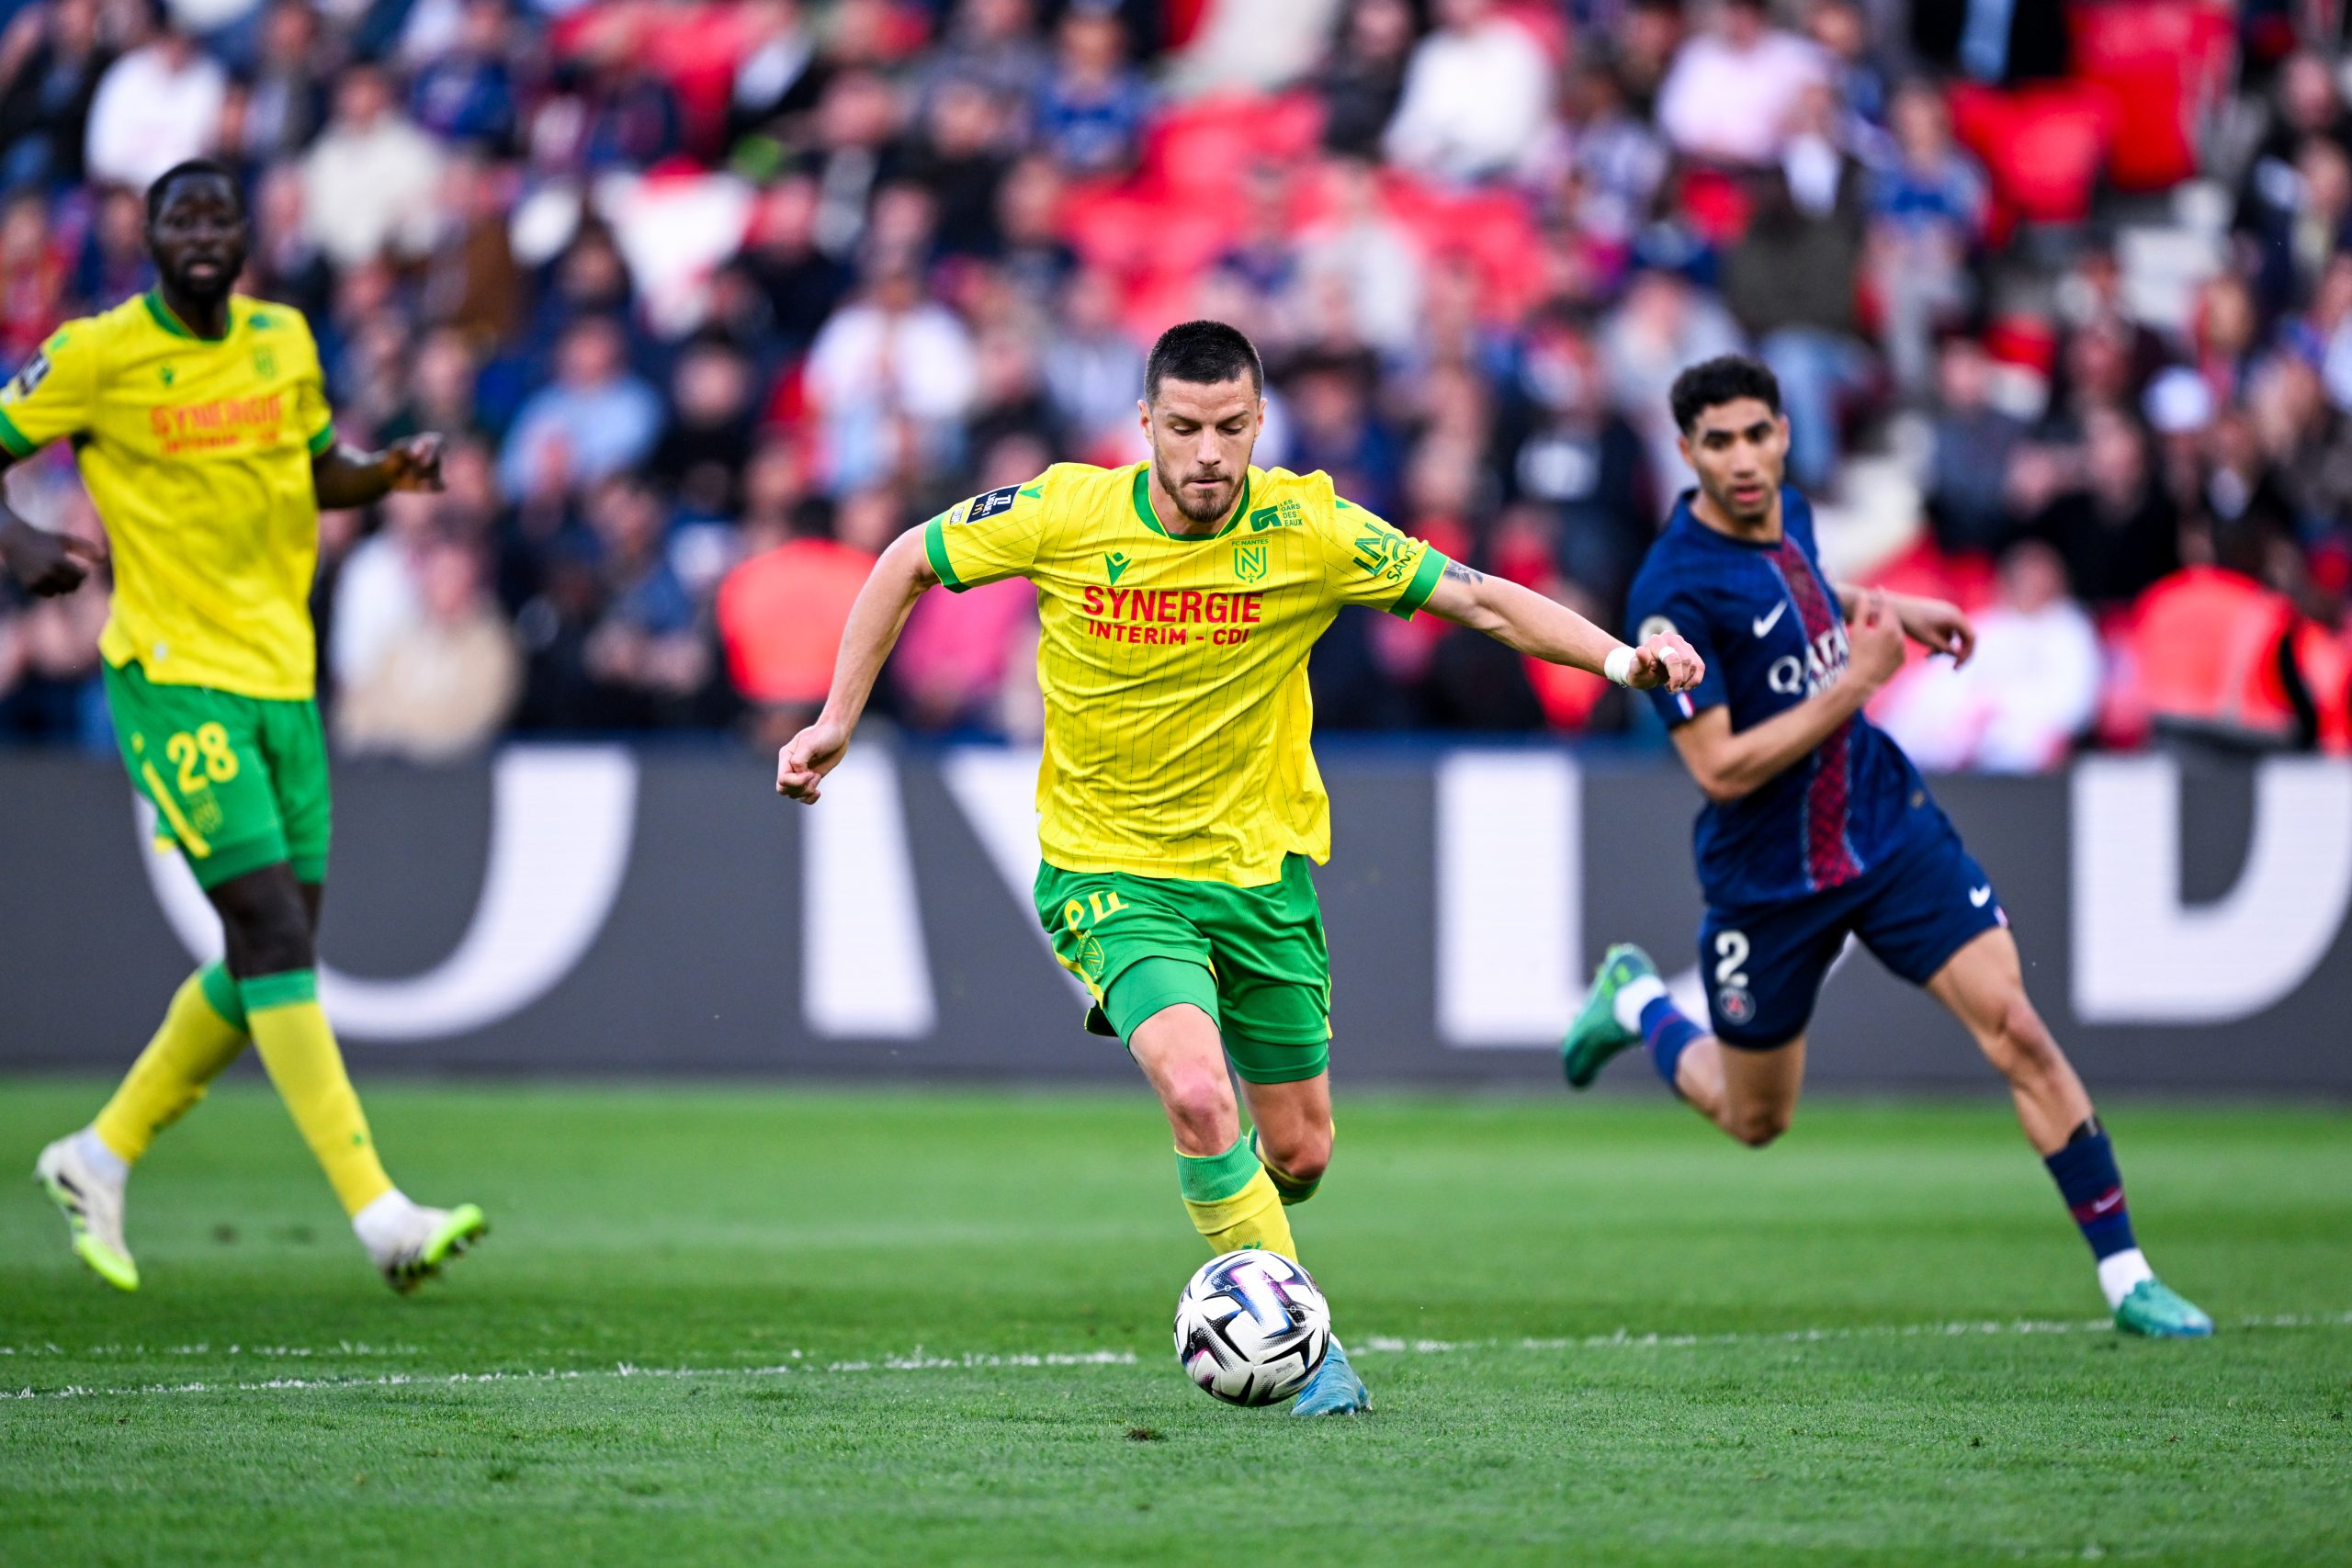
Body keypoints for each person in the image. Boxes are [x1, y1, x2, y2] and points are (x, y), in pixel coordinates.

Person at [778, 320, 1702, 1415]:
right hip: (1109, 873)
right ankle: (1309, 1358)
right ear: (1144, 427)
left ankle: (1245, 1230)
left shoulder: (1309, 528)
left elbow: (1478, 597)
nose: (1208, 452)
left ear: (1260, 423)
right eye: (1182, 428)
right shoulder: (1065, 511)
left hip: (1261, 882)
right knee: (1198, 1095)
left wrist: (1613, 657)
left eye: (1229, 428)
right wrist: (839, 717)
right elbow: (903, 563)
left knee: (1298, 1153)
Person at [1562, 355, 2212, 1339]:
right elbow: (1720, 768)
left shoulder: (1794, 511)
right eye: (1718, 442)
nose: (1743, 459)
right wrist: (1862, 681)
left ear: (1783, 432)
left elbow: (1805, 588)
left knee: (2017, 1029)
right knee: (1755, 1120)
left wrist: (1897, 613)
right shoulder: (1672, 596)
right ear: (1687, 453)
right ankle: (1639, 1001)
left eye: (1757, 434)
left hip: (1883, 822)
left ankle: (2127, 1276)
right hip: (1770, 876)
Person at [0, 160, 486, 1294]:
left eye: (222, 215)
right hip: (172, 674)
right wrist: (17, 541)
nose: (205, 233)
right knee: (271, 928)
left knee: (270, 950)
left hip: (282, 677)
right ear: (151, 235)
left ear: (249, 236)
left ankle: (97, 1154)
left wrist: (385, 472)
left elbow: (316, 471)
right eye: (184, 217)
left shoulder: (286, 341)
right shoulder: (97, 354)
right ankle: (380, 1217)